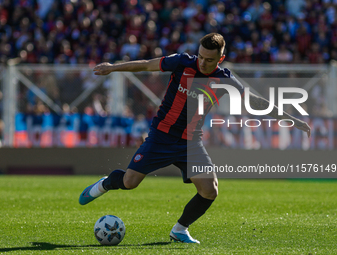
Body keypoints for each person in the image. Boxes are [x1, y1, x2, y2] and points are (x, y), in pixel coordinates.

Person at [79, 33, 311, 243]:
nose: (202, 62)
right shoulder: (182, 61)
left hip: (191, 142)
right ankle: (106, 183)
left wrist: (292, 119)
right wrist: (113, 67)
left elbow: (257, 103)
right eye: (200, 56)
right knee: (129, 183)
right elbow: (147, 65)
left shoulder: (226, 80)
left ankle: (180, 229)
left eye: (209, 59)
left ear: (220, 59)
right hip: (161, 136)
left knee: (210, 190)